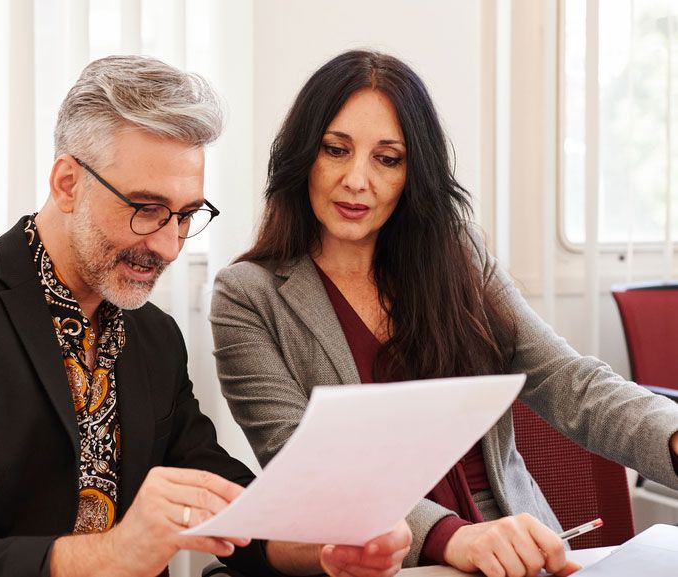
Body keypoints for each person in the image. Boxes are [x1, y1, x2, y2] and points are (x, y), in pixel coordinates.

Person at [0, 55, 413, 577]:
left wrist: (327, 545)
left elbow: (225, 502)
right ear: (68, 182)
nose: (170, 246)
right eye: (147, 210)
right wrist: (111, 557)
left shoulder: (151, 336)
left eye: (186, 215)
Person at [210, 49, 678, 577]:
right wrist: (452, 537)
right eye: (336, 150)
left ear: (415, 172)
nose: (357, 180)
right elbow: (304, 472)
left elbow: (570, 382)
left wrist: (673, 437)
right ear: (303, 157)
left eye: (387, 159)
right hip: (387, 560)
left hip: (518, 551)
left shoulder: (461, 256)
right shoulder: (247, 296)